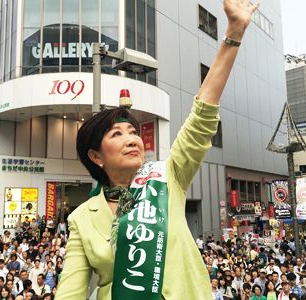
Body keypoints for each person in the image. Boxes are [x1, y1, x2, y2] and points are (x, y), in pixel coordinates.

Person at [55, 1, 260, 299]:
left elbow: (201, 119)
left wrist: (234, 33)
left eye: (134, 132)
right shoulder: (82, 218)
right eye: (117, 133)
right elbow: (69, 292)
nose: (132, 139)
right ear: (95, 156)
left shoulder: (166, 178)